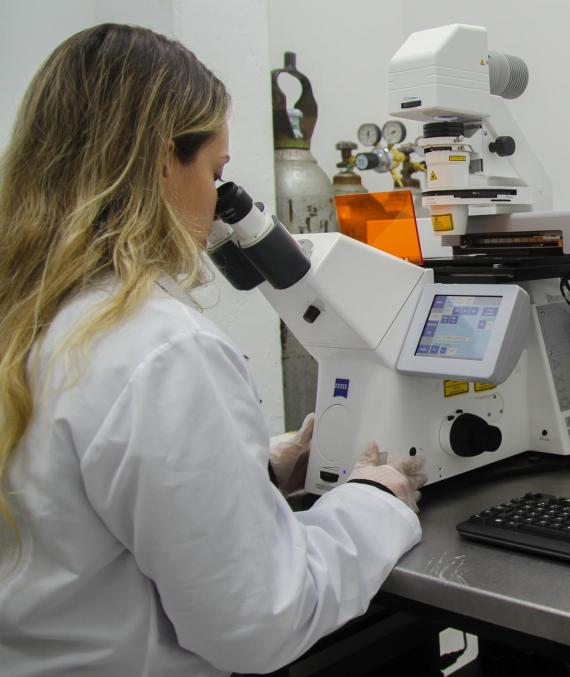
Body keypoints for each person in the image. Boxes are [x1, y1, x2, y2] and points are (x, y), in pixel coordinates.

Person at [0, 24, 427, 676]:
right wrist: (372, 499)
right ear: (162, 161)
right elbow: (259, 620)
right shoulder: (160, 347)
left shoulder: (29, 315)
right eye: (217, 172)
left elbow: (75, 509)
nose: (219, 206)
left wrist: (252, 468)